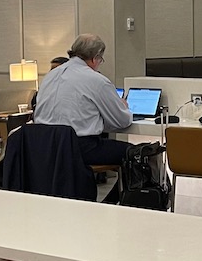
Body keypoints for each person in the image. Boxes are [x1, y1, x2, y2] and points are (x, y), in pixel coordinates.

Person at [32, 33, 133, 171]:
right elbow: (122, 121)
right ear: (95, 58)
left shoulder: (50, 75)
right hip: (79, 148)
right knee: (140, 153)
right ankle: (130, 193)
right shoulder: (97, 80)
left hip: (44, 146)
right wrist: (123, 107)